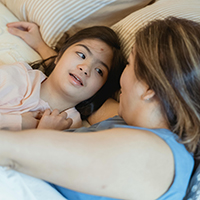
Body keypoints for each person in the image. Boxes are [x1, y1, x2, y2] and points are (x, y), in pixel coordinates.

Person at [0, 16, 198, 199]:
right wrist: (41, 46)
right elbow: (72, 83)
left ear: (149, 88)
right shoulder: (126, 121)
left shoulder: (158, 157)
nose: (121, 80)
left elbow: (19, 153)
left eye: (128, 64)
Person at [0, 22, 126, 130]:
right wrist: (20, 122)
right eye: (81, 55)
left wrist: (44, 134)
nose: (86, 68)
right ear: (59, 56)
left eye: (99, 71)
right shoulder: (14, 76)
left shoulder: (72, 128)